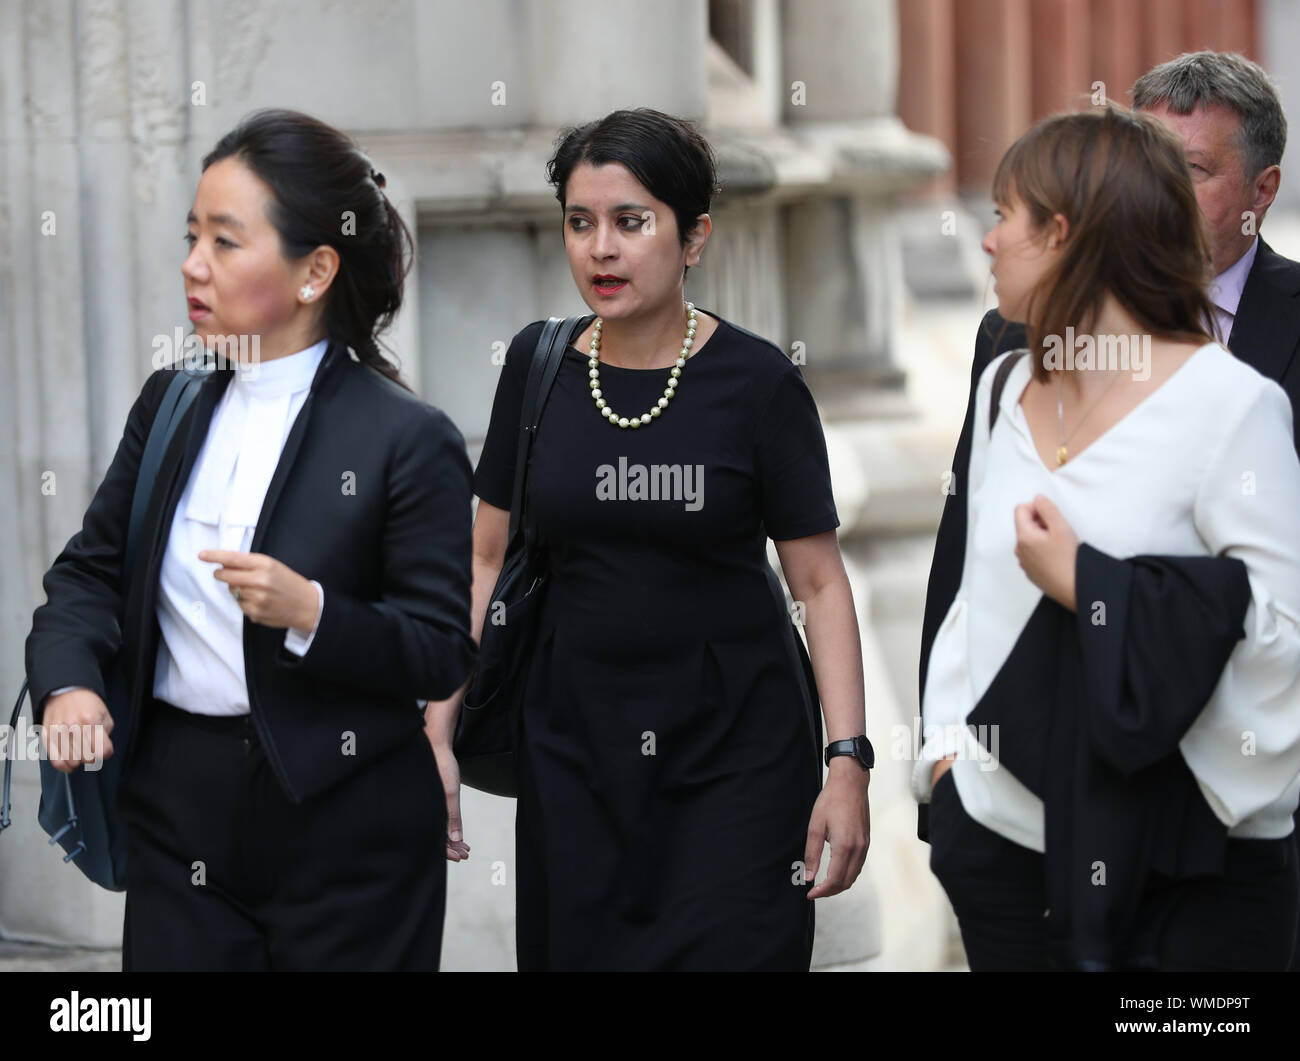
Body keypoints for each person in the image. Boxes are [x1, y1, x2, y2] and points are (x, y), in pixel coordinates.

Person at [25, 109, 476, 971]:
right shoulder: (173, 402)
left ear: (315, 271)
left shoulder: (406, 436)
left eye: (225, 242)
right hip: (178, 808)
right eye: (191, 236)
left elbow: (438, 651)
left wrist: (311, 610)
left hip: (348, 823)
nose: (193, 265)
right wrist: (70, 686)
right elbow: (88, 573)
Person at [426, 108, 872, 971]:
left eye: (631, 222)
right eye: (581, 222)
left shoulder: (760, 384)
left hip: (738, 759)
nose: (601, 249)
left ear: (693, 236)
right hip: (574, 756)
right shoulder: (537, 365)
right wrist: (437, 732)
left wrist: (847, 761)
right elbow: (482, 560)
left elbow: (819, 583)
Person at [919, 58, 1300, 967]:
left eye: (1005, 217)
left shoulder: (1233, 405)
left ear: (1068, 235)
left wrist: (1087, 583)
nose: (986, 240)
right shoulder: (1005, 382)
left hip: (1182, 871)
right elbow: (963, 582)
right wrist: (945, 768)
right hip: (1005, 856)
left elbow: (1282, 637)